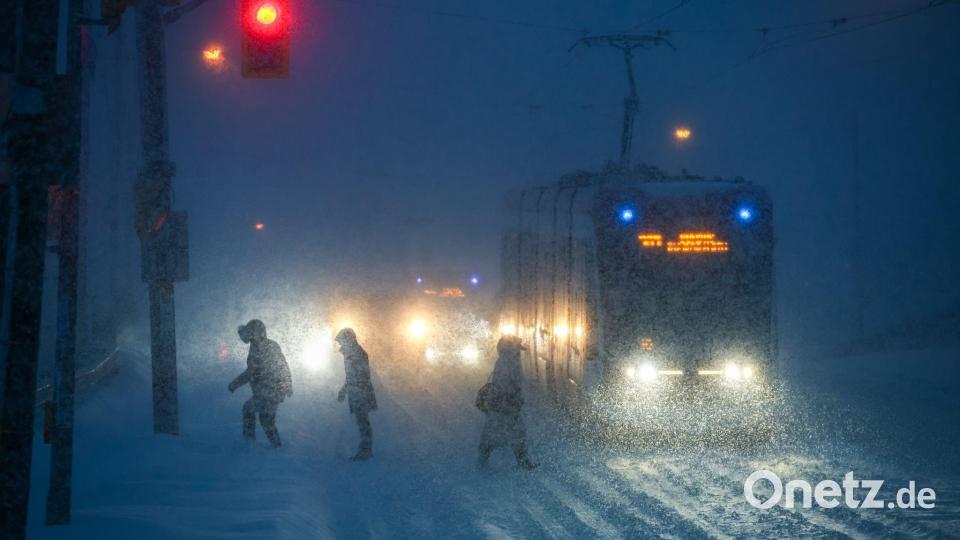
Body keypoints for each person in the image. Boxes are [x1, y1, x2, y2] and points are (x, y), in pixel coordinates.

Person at [228, 319, 293, 447]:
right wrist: (236, 383)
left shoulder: (270, 346)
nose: (248, 338)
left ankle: (251, 443)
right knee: (262, 418)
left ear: (257, 333)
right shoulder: (255, 347)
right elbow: (251, 371)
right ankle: (272, 446)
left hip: (272, 390)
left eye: (250, 334)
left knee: (255, 413)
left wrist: (287, 384)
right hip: (265, 391)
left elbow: (282, 366)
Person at [477, 335, 537, 470]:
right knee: (515, 432)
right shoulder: (510, 363)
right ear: (511, 349)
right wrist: (515, 398)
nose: (519, 352)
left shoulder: (502, 361)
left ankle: (483, 461)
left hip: (500, 405)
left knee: (494, 432)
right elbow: (513, 384)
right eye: (517, 349)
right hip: (506, 405)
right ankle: (522, 462)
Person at [335, 328, 378, 461]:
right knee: (362, 421)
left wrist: (352, 389)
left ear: (349, 340)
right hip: (358, 392)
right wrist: (344, 389)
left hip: (361, 393)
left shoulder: (356, 354)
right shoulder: (352, 353)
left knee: (363, 421)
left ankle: (366, 450)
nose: (340, 344)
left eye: (342, 341)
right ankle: (366, 449)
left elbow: (361, 375)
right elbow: (352, 375)